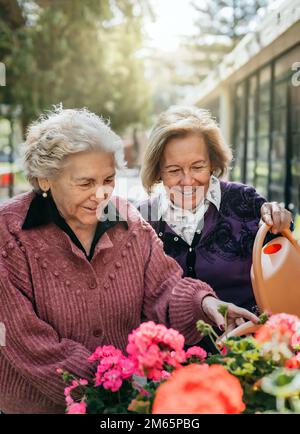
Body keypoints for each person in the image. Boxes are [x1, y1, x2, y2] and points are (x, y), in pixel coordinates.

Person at [0, 107, 258, 414]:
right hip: (39, 408)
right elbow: (22, 338)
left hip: (123, 405)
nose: (101, 195)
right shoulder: (9, 233)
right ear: (45, 180)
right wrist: (108, 385)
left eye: (108, 179)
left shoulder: (128, 220)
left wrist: (205, 304)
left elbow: (164, 288)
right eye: (85, 183)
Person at [140, 105, 292, 316]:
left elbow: (284, 256)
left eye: (198, 166)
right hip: (174, 347)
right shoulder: (143, 220)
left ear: (212, 162)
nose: (187, 180)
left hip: (247, 342)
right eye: (174, 170)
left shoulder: (244, 202)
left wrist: (281, 220)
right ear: (158, 171)